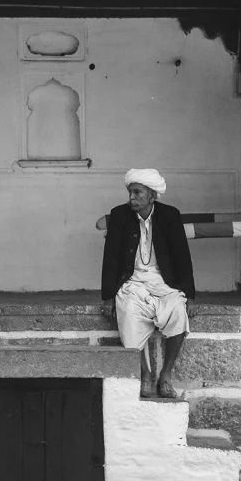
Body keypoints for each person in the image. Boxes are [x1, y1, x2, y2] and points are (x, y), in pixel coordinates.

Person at [101, 169, 197, 399]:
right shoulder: (119, 215)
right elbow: (111, 257)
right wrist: (108, 296)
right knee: (128, 311)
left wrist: (190, 295)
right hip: (132, 281)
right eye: (130, 192)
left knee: (177, 310)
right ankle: (145, 374)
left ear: (152, 195)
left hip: (164, 282)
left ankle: (165, 375)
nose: (132, 197)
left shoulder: (170, 215)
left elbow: (182, 256)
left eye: (137, 192)